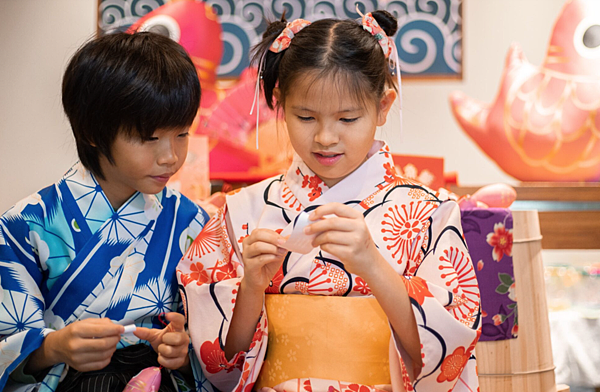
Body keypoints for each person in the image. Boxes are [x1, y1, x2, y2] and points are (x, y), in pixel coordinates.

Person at [177, 10, 481, 392]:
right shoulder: (241, 212)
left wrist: (372, 263)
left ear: (383, 106)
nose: (325, 137)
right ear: (279, 103)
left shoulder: (429, 213)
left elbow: (448, 348)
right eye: (305, 117)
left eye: (348, 119)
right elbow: (218, 368)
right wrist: (253, 286)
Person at [0, 32, 215, 392]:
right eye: (149, 138)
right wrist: (53, 347)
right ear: (92, 132)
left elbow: (208, 337)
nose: (170, 156)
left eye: (181, 134)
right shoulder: (26, 224)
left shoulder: (193, 222)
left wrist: (180, 347)